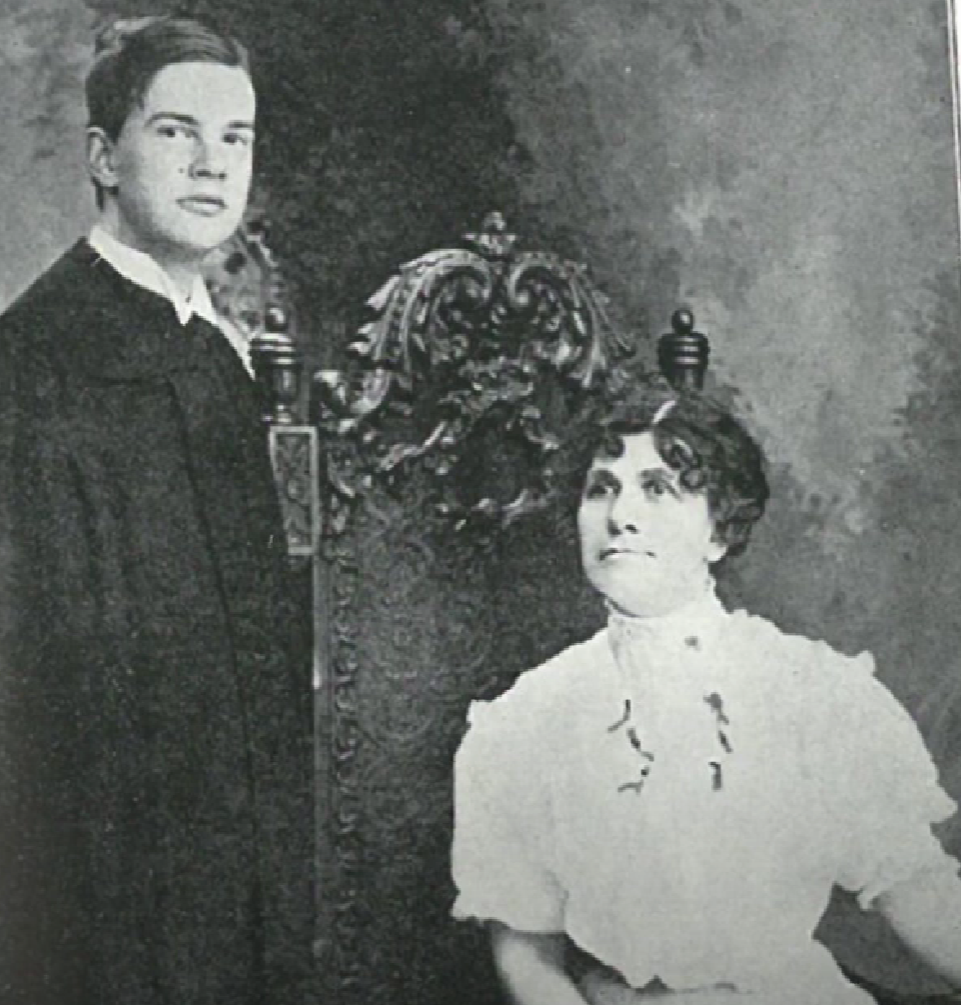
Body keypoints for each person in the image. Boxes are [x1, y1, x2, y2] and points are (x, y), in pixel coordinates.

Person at [450, 389, 961, 1004]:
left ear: (719, 531)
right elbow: (527, 956)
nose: (621, 516)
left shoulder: (815, 693)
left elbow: (917, 891)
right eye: (601, 489)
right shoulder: (525, 722)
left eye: (658, 489)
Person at [0, 16, 315, 1005]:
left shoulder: (215, 357)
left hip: (235, 879)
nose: (212, 164)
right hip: (99, 887)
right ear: (104, 157)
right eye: (177, 131)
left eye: (236, 138)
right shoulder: (34, 363)